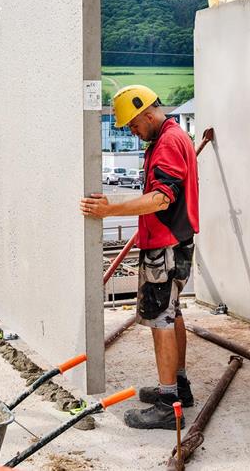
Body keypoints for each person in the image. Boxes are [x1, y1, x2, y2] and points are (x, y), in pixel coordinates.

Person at [79, 85, 199, 430]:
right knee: (172, 315)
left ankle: (166, 404)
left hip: (165, 245)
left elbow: (161, 198)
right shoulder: (173, 137)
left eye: (133, 125)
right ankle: (179, 387)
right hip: (174, 242)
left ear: (148, 114)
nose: (132, 132)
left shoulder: (167, 143)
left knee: (160, 320)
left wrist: (110, 209)